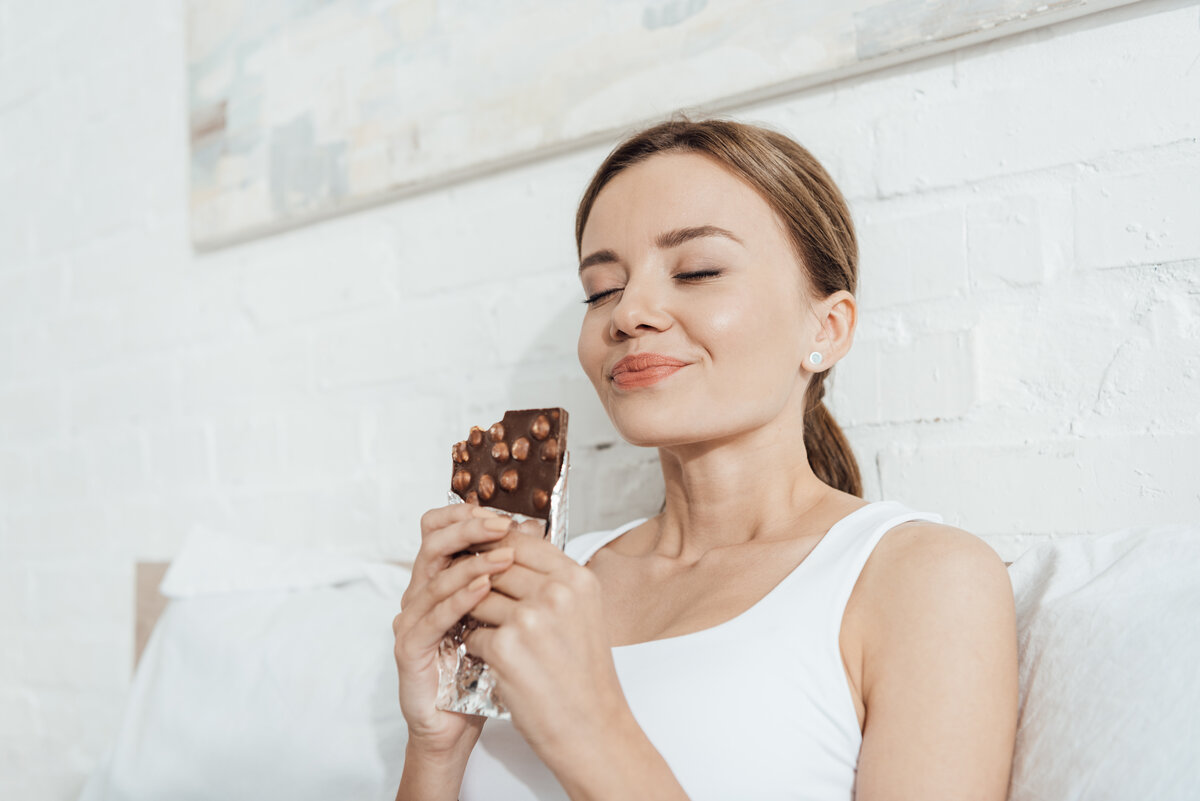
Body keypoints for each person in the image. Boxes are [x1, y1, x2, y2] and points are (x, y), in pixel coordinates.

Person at [391, 116, 1019, 801]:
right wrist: (437, 746)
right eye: (601, 288)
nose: (628, 312)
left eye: (697, 270)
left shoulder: (922, 579)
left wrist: (592, 728)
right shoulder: (548, 586)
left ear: (826, 328)